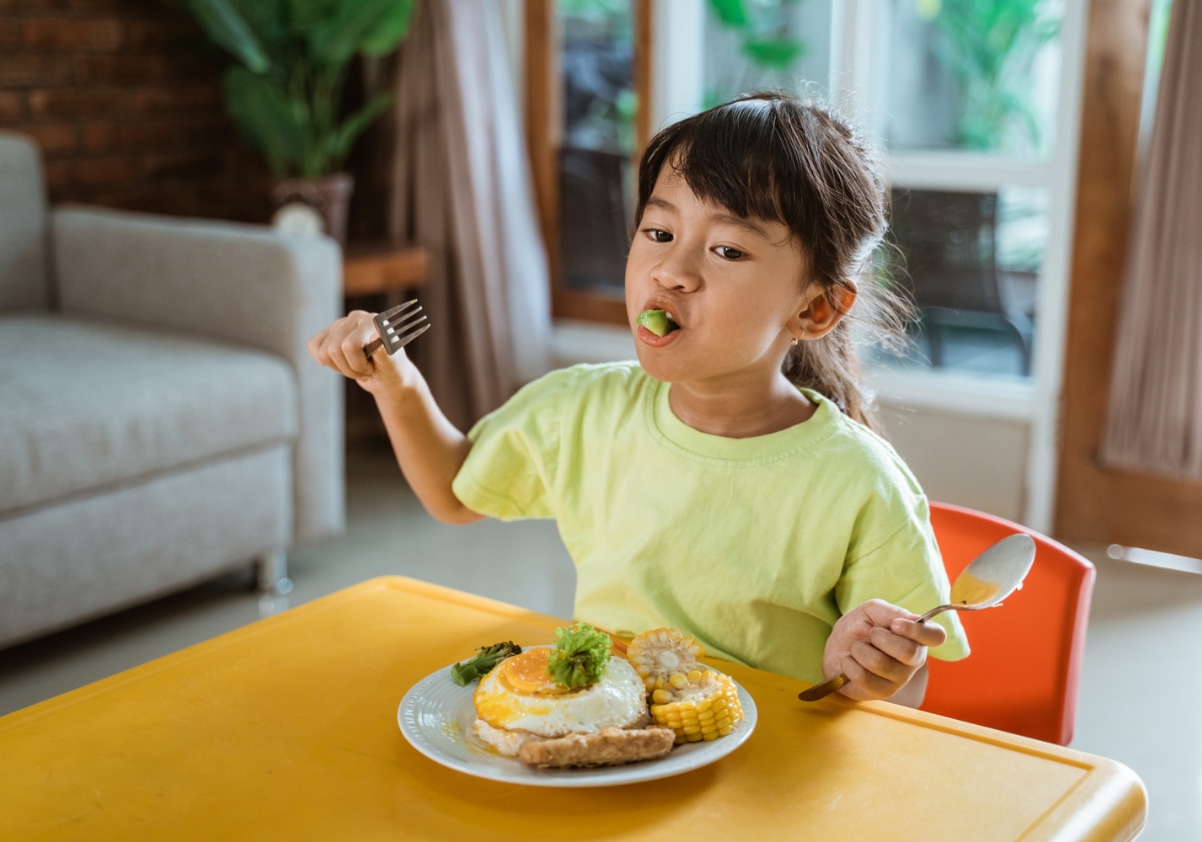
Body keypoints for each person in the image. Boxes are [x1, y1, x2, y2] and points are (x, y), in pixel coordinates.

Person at [308, 92, 969, 706]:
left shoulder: (861, 481)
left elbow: (908, 692)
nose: (672, 271)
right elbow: (454, 493)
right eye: (658, 233)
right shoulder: (582, 410)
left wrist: (866, 670)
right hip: (609, 745)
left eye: (727, 249)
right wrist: (393, 381)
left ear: (817, 307)